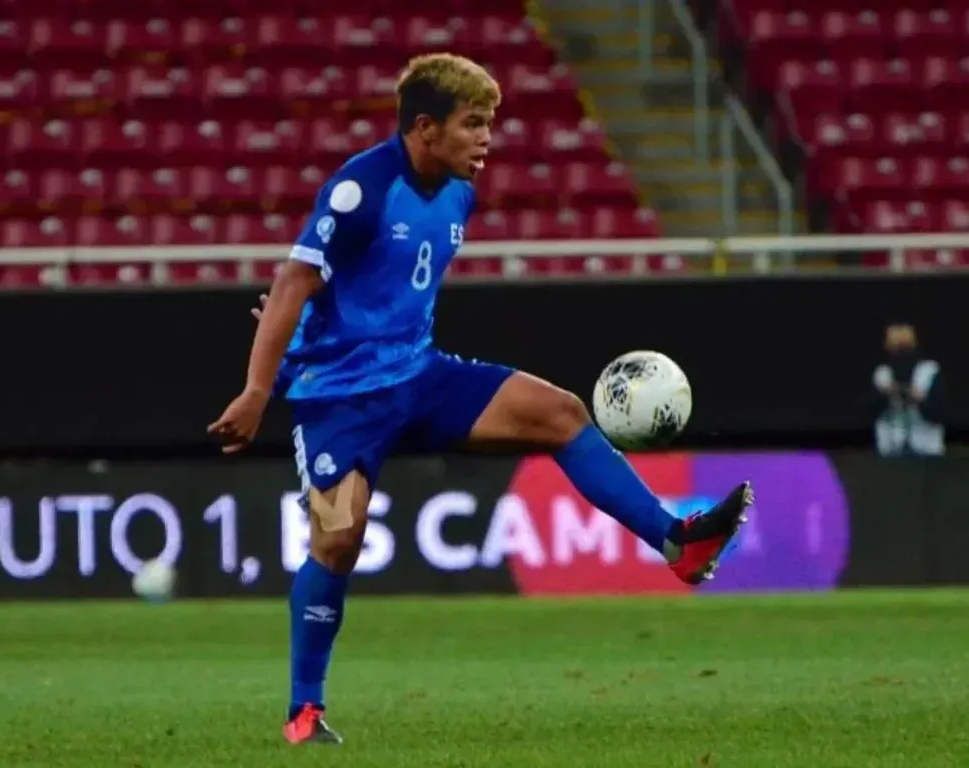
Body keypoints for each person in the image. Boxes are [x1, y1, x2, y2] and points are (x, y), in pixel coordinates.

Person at [208, 52, 754, 746]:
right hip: (339, 401)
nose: (486, 139)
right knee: (338, 540)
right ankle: (303, 712)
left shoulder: (458, 192)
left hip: (419, 377)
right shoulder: (361, 190)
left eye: (488, 124)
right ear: (425, 129)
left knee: (561, 414)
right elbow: (293, 283)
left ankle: (677, 540)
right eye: (472, 124)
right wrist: (260, 389)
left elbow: (389, 290)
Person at [871, 323, 945, 457]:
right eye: (895, 347)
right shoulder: (882, 374)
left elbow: (940, 414)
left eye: (904, 347)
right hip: (890, 448)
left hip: (925, 449)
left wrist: (921, 400)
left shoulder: (929, 372)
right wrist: (884, 395)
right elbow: (869, 412)